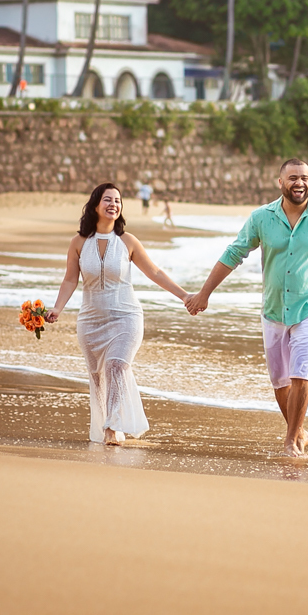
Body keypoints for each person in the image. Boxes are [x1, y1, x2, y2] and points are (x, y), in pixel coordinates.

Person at [185, 159, 308, 457]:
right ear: (280, 182)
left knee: (301, 375)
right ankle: (300, 431)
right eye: (293, 177)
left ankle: (290, 441)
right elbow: (234, 253)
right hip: (273, 310)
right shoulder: (262, 218)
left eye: (305, 178)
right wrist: (204, 294)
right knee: (280, 382)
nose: (300, 183)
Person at [45, 183, 189, 445]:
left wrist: (185, 296)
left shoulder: (127, 241)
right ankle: (106, 424)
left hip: (126, 317)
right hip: (90, 321)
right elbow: (70, 280)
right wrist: (57, 308)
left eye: (118, 201)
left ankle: (112, 426)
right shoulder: (78, 243)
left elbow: (155, 272)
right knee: (98, 376)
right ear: (95, 205)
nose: (113, 204)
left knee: (116, 366)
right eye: (108, 199)